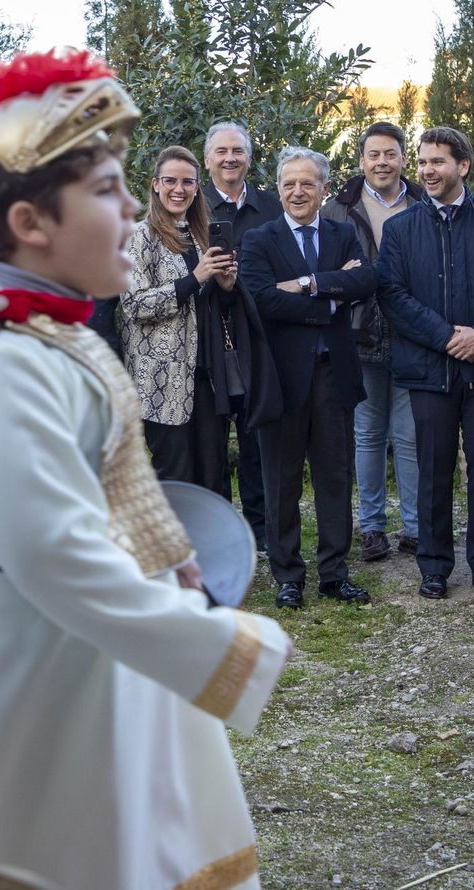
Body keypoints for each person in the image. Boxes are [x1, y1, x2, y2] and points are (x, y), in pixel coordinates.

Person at [0, 50, 289, 890]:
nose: (136, 204)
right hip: (20, 659)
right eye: (108, 190)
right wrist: (217, 644)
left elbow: (118, 483)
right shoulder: (5, 358)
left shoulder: (58, 336)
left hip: (87, 638)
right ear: (33, 223)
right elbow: (53, 551)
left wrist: (168, 554)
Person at [384, 126, 474, 600]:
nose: (427, 170)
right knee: (433, 469)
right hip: (429, 370)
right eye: (422, 162)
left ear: (462, 166)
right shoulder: (400, 228)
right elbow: (394, 296)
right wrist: (448, 338)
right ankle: (435, 566)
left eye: (437, 161)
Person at [242, 146, 377, 608]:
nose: (298, 192)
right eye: (288, 184)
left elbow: (363, 283)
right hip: (282, 378)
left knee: (335, 476)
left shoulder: (342, 233)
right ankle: (288, 577)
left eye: (307, 183)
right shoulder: (260, 239)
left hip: (334, 373)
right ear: (278, 190)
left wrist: (306, 285)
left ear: (323, 188)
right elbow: (262, 300)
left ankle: (335, 573)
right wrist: (331, 295)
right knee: (280, 479)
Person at [320, 121, 424, 561]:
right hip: (359, 335)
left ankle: (417, 528)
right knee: (367, 434)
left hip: (414, 334)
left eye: (390, 153)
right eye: (373, 155)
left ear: (402, 158)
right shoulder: (337, 208)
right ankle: (373, 527)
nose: (382, 162)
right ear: (361, 161)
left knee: (410, 436)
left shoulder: (423, 202)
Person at [119, 146, 237, 494]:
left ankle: (212, 548)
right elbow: (135, 305)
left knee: (213, 475)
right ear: (155, 185)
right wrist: (195, 278)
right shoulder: (137, 237)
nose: (179, 189)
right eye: (170, 181)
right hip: (161, 381)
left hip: (206, 375)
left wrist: (227, 287)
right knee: (174, 475)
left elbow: (208, 307)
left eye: (188, 182)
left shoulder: (202, 237)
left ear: (198, 188)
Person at [200, 120, 281, 548]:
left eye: (238, 151)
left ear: (249, 158)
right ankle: (221, 533)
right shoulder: (190, 204)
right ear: (208, 158)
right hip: (206, 339)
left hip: (258, 336)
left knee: (256, 437)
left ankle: (262, 530)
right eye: (222, 151)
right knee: (213, 443)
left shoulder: (271, 206)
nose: (230, 158)